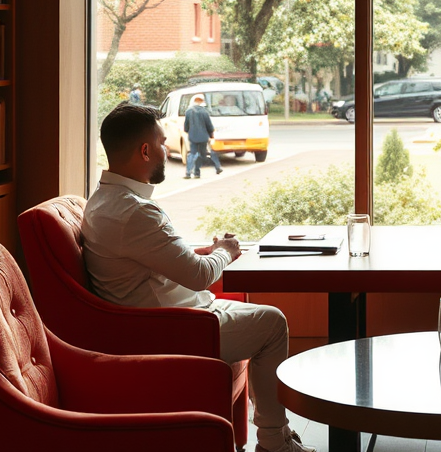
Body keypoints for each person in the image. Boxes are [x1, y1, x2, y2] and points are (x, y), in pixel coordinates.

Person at [82, 103, 314, 452]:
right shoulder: (135, 212)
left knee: (263, 319)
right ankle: (272, 441)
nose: (168, 149)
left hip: (164, 318)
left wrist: (200, 254)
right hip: (170, 330)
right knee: (272, 323)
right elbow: (198, 276)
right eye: (162, 142)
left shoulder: (103, 200)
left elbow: (158, 263)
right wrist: (225, 251)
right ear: (145, 151)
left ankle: (271, 436)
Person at [184, 93, 223, 178]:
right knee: (202, 154)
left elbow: (186, 127)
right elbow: (209, 125)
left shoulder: (188, 112)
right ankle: (197, 172)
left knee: (192, 153)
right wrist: (211, 134)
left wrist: (188, 131)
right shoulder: (204, 112)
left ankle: (188, 172)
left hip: (192, 137)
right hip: (203, 137)